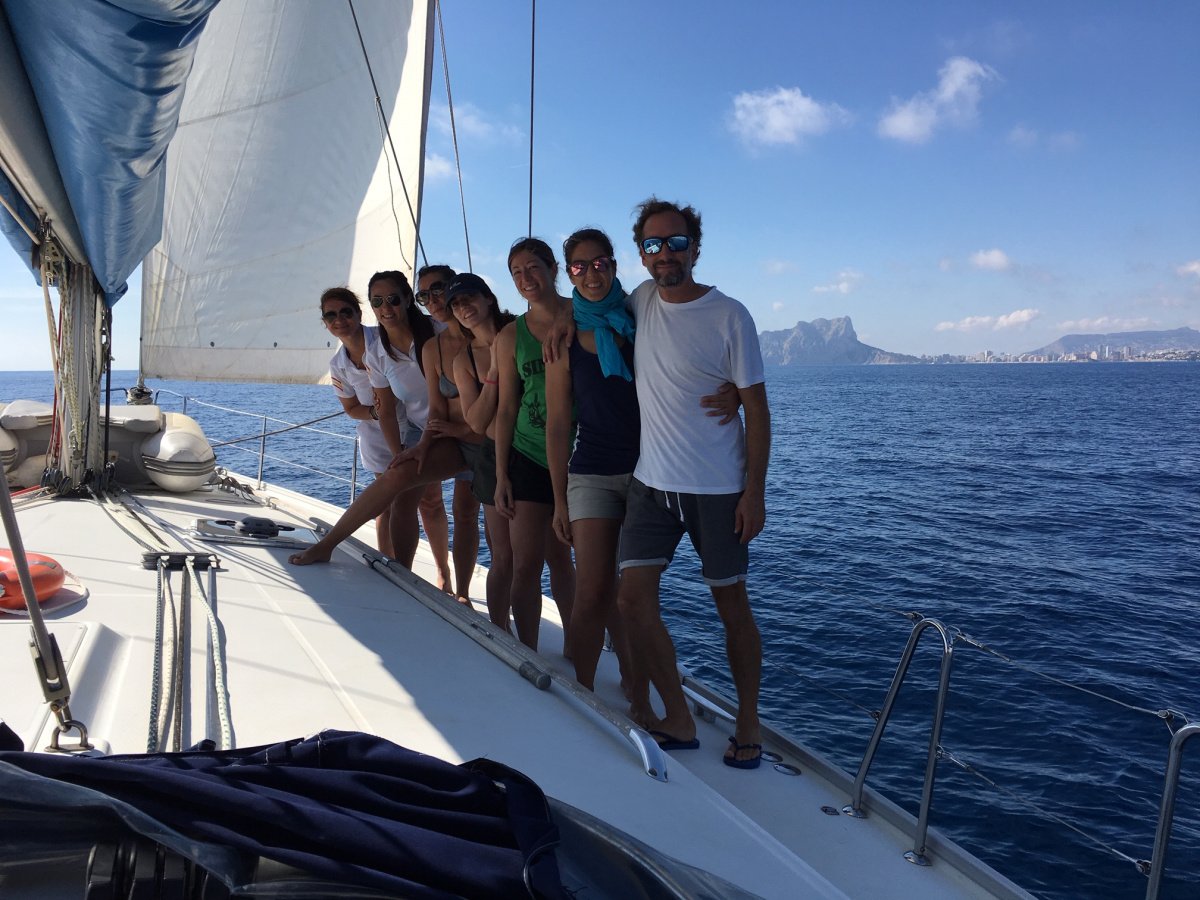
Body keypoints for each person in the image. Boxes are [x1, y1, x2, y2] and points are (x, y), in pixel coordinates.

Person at [617, 198, 770, 770]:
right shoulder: (639, 301)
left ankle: (749, 721)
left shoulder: (730, 315)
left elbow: (757, 407)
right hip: (650, 483)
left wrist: (754, 492)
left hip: (717, 488)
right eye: (653, 246)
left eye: (675, 243)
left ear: (695, 247)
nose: (665, 255)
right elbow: (582, 310)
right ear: (642, 255)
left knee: (731, 605)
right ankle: (677, 717)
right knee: (632, 602)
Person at [289, 273, 466, 569]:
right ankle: (395, 569)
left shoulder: (437, 334)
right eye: (378, 301)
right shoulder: (364, 357)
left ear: (408, 300)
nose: (386, 307)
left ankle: (445, 576)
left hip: (456, 428)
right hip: (407, 431)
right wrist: (399, 453)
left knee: (445, 506)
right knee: (397, 499)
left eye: (394, 299)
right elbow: (370, 409)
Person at [545, 228, 640, 704]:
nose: (592, 273)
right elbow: (559, 424)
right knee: (591, 592)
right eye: (579, 266)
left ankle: (633, 684)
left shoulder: (641, 320)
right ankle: (581, 693)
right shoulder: (564, 341)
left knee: (631, 595)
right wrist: (559, 499)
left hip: (649, 473)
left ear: (615, 266)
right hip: (592, 473)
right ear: (570, 273)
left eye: (600, 262)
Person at [493, 238, 575, 653]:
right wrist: (502, 473)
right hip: (527, 455)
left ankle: (578, 648)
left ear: (552, 268)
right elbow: (506, 408)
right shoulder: (510, 336)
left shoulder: (583, 314)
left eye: (533, 268)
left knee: (563, 560)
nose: (526, 278)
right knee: (525, 563)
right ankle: (528, 650)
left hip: (580, 458)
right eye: (516, 272)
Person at [448, 273, 516, 630]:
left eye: (469, 298)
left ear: (489, 298)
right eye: (456, 305)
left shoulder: (523, 332)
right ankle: (500, 630)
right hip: (492, 457)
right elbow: (475, 421)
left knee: (554, 556)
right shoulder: (465, 360)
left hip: (535, 450)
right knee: (503, 555)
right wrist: (494, 373)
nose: (464, 307)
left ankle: (568, 644)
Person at [416, 265, 481, 604]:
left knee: (465, 512)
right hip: (449, 436)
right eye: (423, 295)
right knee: (412, 486)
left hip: (482, 439)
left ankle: (464, 592)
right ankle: (436, 570)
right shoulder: (432, 347)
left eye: (438, 288)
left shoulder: (487, 332)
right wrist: (424, 445)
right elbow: (436, 406)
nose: (432, 299)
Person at [319, 287, 398, 556]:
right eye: (330, 316)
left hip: (413, 430)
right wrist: (377, 412)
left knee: (430, 502)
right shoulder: (337, 365)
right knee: (386, 503)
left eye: (345, 312)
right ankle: (389, 562)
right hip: (376, 437)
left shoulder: (386, 340)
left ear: (359, 312)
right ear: (325, 323)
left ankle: (443, 574)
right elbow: (351, 408)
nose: (338, 320)